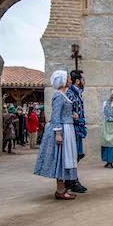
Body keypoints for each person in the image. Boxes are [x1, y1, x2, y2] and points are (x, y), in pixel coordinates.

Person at [34, 70, 78, 200]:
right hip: (62, 129)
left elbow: (62, 113)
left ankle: (62, 188)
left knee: (65, 158)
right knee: (61, 159)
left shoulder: (63, 95)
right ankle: (60, 190)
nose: (70, 80)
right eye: (68, 78)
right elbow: (55, 116)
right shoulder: (58, 96)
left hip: (67, 127)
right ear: (63, 81)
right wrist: (58, 133)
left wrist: (71, 115)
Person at [66, 70, 88, 193]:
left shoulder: (78, 93)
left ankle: (72, 180)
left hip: (78, 128)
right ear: (78, 81)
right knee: (74, 155)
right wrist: (73, 117)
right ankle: (71, 181)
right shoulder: (70, 94)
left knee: (77, 155)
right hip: (73, 129)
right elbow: (66, 111)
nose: (85, 81)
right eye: (83, 79)